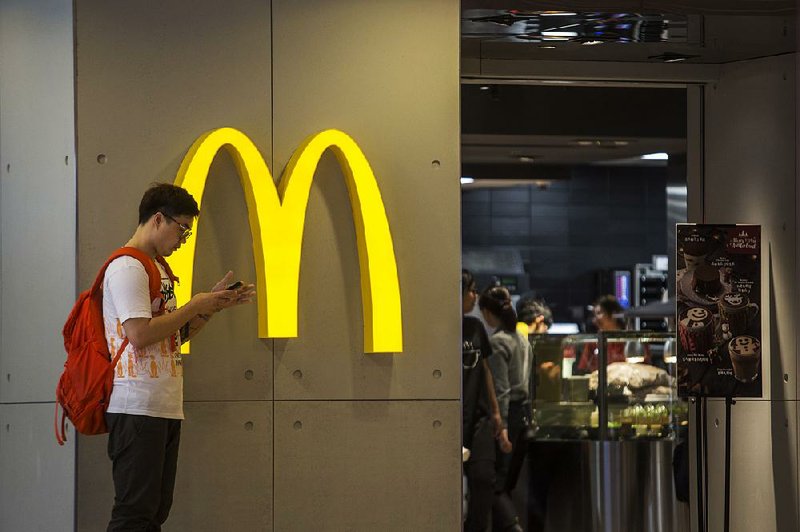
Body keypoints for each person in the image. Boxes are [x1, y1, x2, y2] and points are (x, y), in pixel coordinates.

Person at [102, 183, 255, 531]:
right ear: (158, 219)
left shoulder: (158, 269)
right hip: (135, 404)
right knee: (134, 514)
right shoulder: (128, 267)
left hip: (162, 404)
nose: (182, 239)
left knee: (155, 512)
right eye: (181, 230)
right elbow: (139, 334)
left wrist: (208, 309)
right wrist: (193, 305)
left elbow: (172, 338)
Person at [480, 286, 533, 532]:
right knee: (509, 483)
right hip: (525, 416)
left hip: (510, 416)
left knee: (496, 484)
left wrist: (500, 426)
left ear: (488, 314)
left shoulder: (497, 342)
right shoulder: (522, 339)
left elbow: (501, 389)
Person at [461, 270, 509, 532]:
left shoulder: (476, 327)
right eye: (471, 290)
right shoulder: (441, 330)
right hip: (452, 420)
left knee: (483, 481)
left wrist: (496, 413)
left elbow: (486, 371)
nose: (474, 296)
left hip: (480, 420)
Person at [576, 294, 649, 373]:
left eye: (599, 313)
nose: (595, 320)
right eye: (594, 315)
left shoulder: (633, 341)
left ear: (613, 314)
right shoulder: (593, 342)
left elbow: (645, 368)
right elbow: (582, 370)